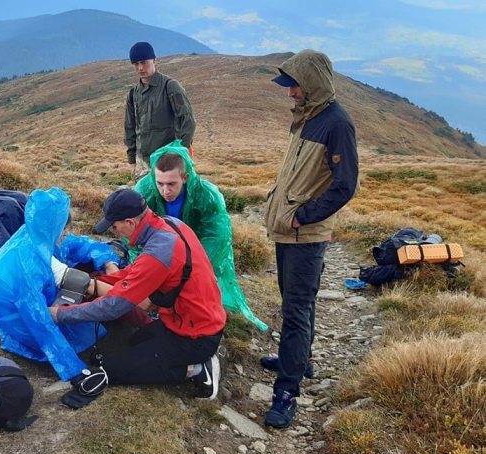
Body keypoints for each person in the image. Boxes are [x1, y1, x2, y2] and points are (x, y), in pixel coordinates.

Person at [49, 189, 226, 405]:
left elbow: (112, 307)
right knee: (135, 340)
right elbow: (135, 275)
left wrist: (60, 314)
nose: (116, 233)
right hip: (191, 319)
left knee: (112, 370)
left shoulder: (157, 253)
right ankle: (189, 358)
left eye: (115, 227)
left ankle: (198, 370)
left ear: (130, 222)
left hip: (195, 335)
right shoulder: (169, 224)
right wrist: (90, 283)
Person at [262, 49, 359, 429]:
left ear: (312, 85)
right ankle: (301, 361)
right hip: (288, 228)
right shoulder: (307, 118)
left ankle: (287, 391)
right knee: (295, 301)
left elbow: (345, 185)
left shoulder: (337, 124)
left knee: (296, 311)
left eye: (295, 86)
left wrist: (304, 216)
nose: (290, 93)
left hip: (304, 233)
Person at [0, 187, 121, 397]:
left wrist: (109, 262)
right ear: (54, 226)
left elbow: (81, 244)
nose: (65, 234)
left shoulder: (38, 233)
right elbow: (38, 321)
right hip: (11, 312)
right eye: (63, 229)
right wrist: (75, 372)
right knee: (73, 320)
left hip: (11, 292)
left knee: (82, 279)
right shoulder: (28, 266)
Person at [133, 140, 267, 331]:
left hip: (195, 248)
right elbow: (133, 235)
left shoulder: (207, 195)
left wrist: (189, 270)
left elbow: (217, 238)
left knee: (194, 288)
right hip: (159, 246)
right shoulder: (144, 192)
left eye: (172, 184)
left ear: (185, 177)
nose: (165, 191)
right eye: (160, 183)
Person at [124, 41, 196, 182]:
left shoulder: (171, 87)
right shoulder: (133, 93)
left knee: (170, 200)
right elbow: (129, 128)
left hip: (169, 162)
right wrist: (132, 160)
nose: (140, 68)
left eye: (144, 62)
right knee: (143, 202)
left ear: (154, 60)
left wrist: (179, 154)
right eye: (136, 64)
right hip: (142, 164)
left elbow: (188, 122)